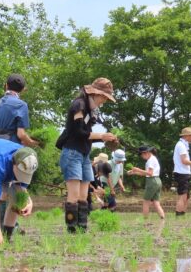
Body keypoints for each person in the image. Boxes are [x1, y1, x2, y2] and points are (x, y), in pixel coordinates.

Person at [55, 78, 118, 233]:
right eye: (103, 96)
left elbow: (87, 136)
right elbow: (78, 132)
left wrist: (106, 138)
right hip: (72, 153)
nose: (104, 100)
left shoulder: (92, 110)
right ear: (95, 93)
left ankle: (82, 230)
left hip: (84, 155)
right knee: (74, 195)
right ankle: (72, 231)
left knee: (84, 196)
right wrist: (101, 136)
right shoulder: (79, 105)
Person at [0, 73, 38, 147]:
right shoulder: (21, 105)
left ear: (6, 86)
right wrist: (30, 142)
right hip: (10, 148)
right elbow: (21, 134)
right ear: (22, 90)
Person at [127, 145, 165, 221]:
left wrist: (138, 169)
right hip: (157, 180)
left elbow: (150, 173)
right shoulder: (153, 158)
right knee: (156, 202)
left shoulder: (150, 160)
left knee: (146, 202)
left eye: (141, 155)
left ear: (145, 153)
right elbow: (146, 173)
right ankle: (162, 218)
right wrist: (134, 172)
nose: (141, 157)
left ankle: (144, 219)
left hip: (152, 181)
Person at [173, 127, 191, 217]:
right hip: (181, 173)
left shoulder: (183, 145)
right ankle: (178, 215)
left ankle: (182, 214)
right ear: (186, 136)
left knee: (186, 196)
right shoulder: (181, 145)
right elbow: (184, 161)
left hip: (184, 173)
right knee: (183, 195)